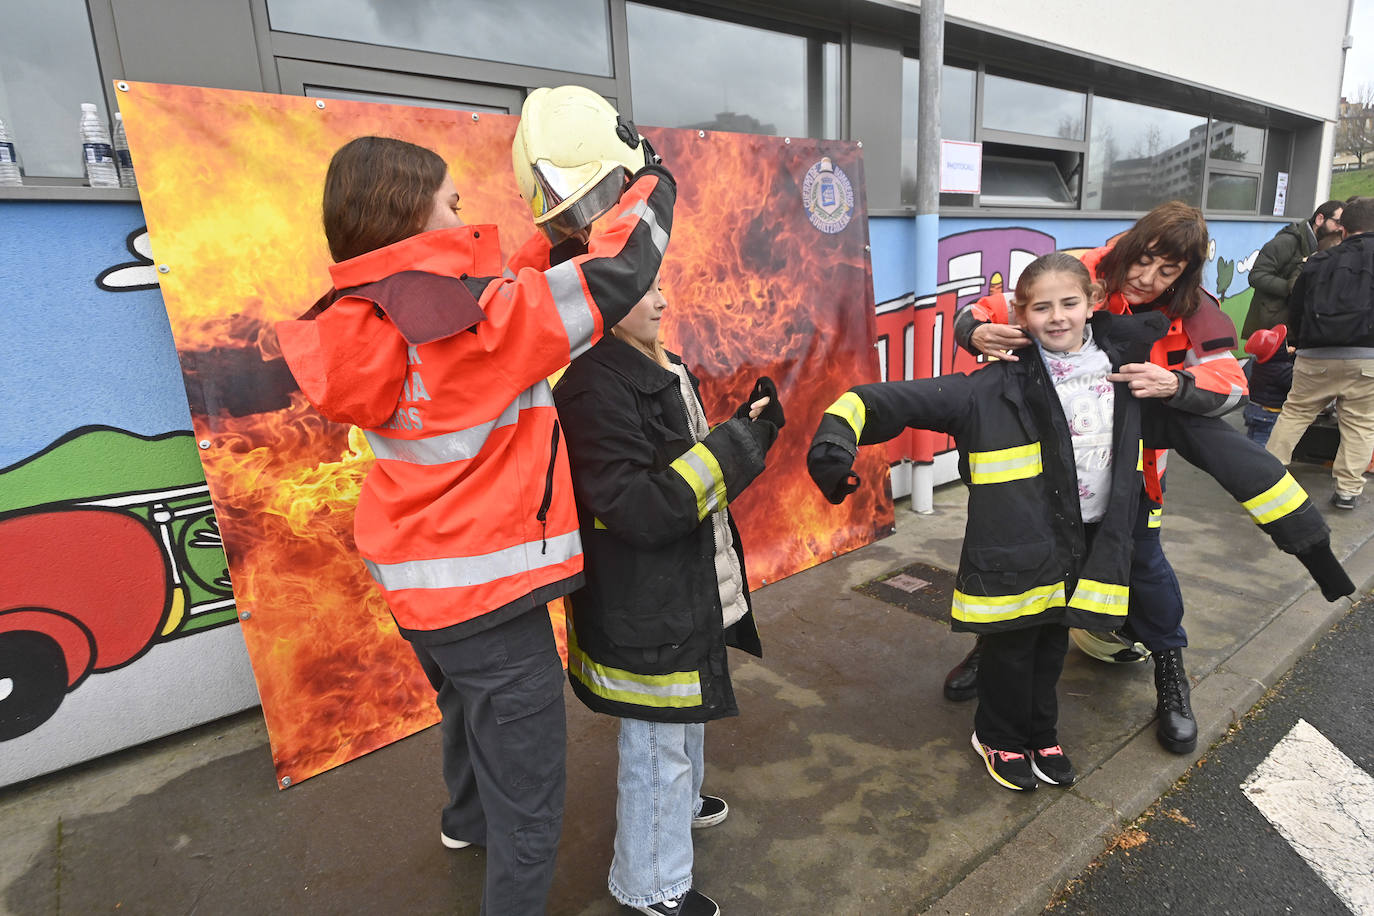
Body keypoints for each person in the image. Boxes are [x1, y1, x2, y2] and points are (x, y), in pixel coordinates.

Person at [274, 135, 675, 915]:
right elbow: (618, 276)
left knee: (461, 707)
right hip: (490, 603)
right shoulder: (482, 331)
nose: (466, 215)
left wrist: (558, 229)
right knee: (532, 810)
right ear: (410, 214)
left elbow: (497, 290)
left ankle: (463, 823)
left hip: (419, 590)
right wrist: (653, 180)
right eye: (452, 204)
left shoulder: (366, 320)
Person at [947, 201, 1345, 754]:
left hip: (1131, 477)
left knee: (1144, 568)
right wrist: (975, 334)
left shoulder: (1195, 310)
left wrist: (1175, 383)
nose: (1148, 279)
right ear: (1129, 246)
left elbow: (1230, 386)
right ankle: (993, 654)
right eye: (1145, 262)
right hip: (1037, 474)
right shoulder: (1077, 271)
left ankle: (1169, 675)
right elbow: (984, 310)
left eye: (1168, 270)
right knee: (1021, 566)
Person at [811, 253, 1172, 790]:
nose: (1057, 317)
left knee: (1052, 644)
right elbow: (879, 401)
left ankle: (1041, 731)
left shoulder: (1125, 378)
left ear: (1093, 303)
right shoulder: (988, 389)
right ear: (1019, 316)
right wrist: (833, 447)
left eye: (1069, 303)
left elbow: (1202, 413)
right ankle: (998, 735)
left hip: (1083, 546)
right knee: (1010, 648)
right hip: (1012, 554)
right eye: (1041, 307)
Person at [553, 269, 782, 916]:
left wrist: (745, 428)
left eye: (658, 285)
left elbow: (687, 464)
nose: (661, 299)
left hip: (677, 591)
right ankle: (651, 884)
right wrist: (742, 444)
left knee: (684, 716)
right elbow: (644, 509)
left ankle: (680, 810)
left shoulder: (661, 364)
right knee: (654, 745)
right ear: (599, 300)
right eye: (641, 289)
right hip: (641, 603)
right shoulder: (591, 387)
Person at [1266, 196, 1374, 510]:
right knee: (1361, 424)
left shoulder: (1319, 259)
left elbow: (1296, 306)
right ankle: (1347, 492)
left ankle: (1268, 478)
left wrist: (1299, 340)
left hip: (1316, 355)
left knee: (1296, 413)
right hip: (1368, 358)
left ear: (1342, 228)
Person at [1243, 200, 1345, 338]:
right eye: (1338, 222)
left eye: (1344, 226)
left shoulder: (1327, 246)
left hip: (1296, 326)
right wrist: (1294, 288)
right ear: (1320, 219)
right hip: (1271, 327)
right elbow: (1256, 276)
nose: (1340, 229)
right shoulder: (1287, 241)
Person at [1241, 324, 1294, 445]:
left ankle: (1249, 460)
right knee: (1263, 445)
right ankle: (1258, 463)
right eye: (1285, 345)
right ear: (1279, 351)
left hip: (1253, 408)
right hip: (1269, 413)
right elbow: (1292, 385)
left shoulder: (1258, 363)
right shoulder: (1284, 370)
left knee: (1252, 440)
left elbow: (1275, 365)